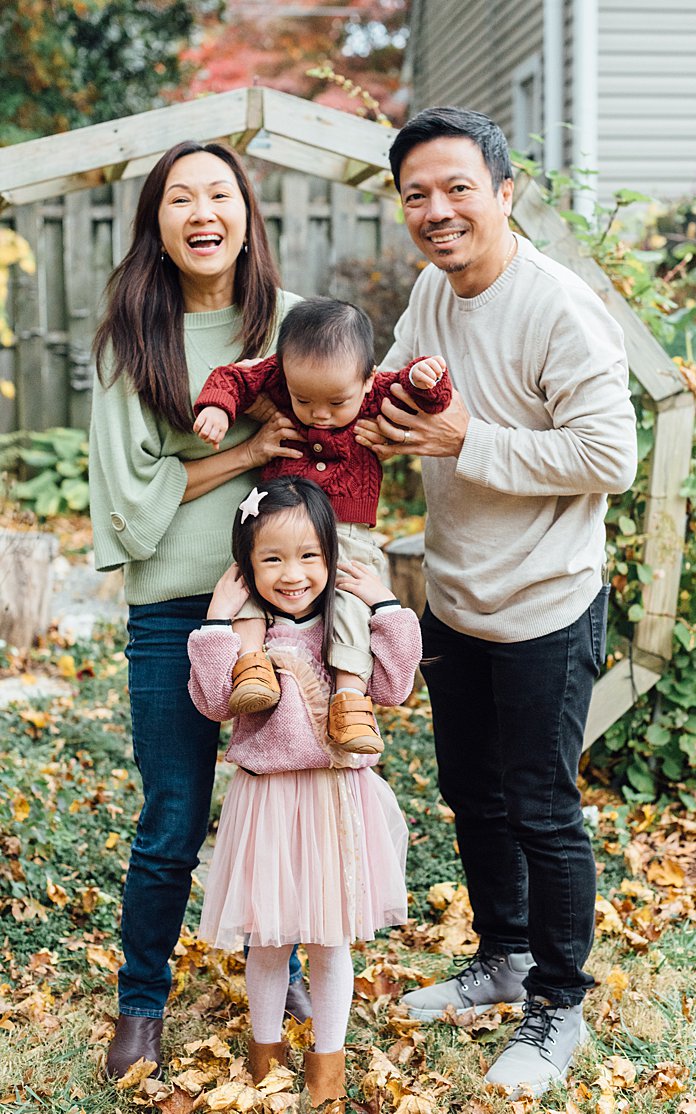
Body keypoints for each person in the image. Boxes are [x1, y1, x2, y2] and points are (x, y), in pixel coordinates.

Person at [350, 106, 637, 1091]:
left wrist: (463, 439)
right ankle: (503, 961)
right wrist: (375, 416)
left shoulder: (558, 308)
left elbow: (612, 456)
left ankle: (559, 1005)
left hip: (547, 604)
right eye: (417, 195)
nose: (437, 210)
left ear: (505, 193)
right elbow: (392, 387)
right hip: (455, 595)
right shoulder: (433, 292)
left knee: (543, 809)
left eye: (457, 188)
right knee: (471, 792)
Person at [89, 140, 310, 1079]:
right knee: (174, 817)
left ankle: (288, 966)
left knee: (284, 799)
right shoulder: (134, 339)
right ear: (159, 227)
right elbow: (130, 503)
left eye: (219, 193)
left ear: (247, 215)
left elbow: (335, 438)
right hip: (174, 609)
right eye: (180, 199)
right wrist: (251, 453)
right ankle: (141, 1002)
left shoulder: (292, 323)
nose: (202, 211)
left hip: (284, 609)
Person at [186, 477, 414, 1109]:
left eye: (311, 556)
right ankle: (265, 1059)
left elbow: (394, 688)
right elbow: (211, 702)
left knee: (330, 939)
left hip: (335, 797)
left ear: (332, 556)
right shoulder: (241, 635)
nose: (294, 574)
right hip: (269, 803)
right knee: (269, 940)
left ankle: (327, 1067)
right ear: (247, 565)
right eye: (274, 559)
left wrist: (387, 606)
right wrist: (214, 620)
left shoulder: (342, 627)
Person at [193, 297, 452, 756]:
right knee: (249, 580)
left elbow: (425, 398)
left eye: (336, 402)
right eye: (303, 400)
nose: (320, 414)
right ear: (285, 376)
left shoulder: (375, 391)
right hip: (279, 522)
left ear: (368, 379)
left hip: (347, 531)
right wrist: (219, 407)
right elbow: (233, 376)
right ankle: (251, 665)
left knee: (352, 597)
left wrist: (424, 379)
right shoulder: (277, 374)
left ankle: (349, 697)